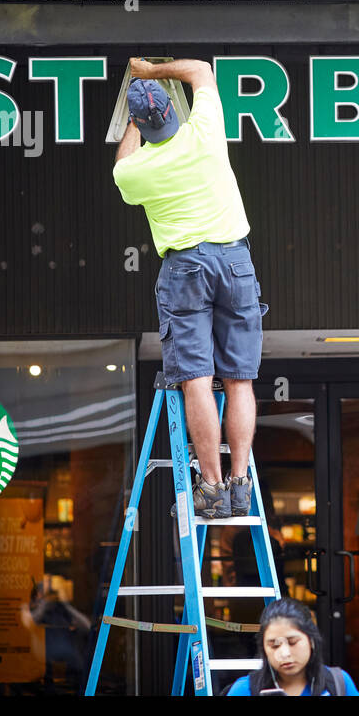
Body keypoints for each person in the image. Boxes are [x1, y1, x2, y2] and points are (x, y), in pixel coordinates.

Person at [113, 57, 265, 520]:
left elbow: (122, 160)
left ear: (141, 123)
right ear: (174, 113)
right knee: (240, 379)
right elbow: (200, 70)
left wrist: (131, 118)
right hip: (235, 258)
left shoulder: (135, 172)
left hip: (184, 267)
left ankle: (212, 488)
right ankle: (240, 482)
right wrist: (151, 72)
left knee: (196, 380)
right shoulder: (205, 132)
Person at [224, 598, 359, 695]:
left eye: (293, 642)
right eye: (274, 645)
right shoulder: (244, 690)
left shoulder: (338, 683)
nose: (284, 653)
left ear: (311, 640)